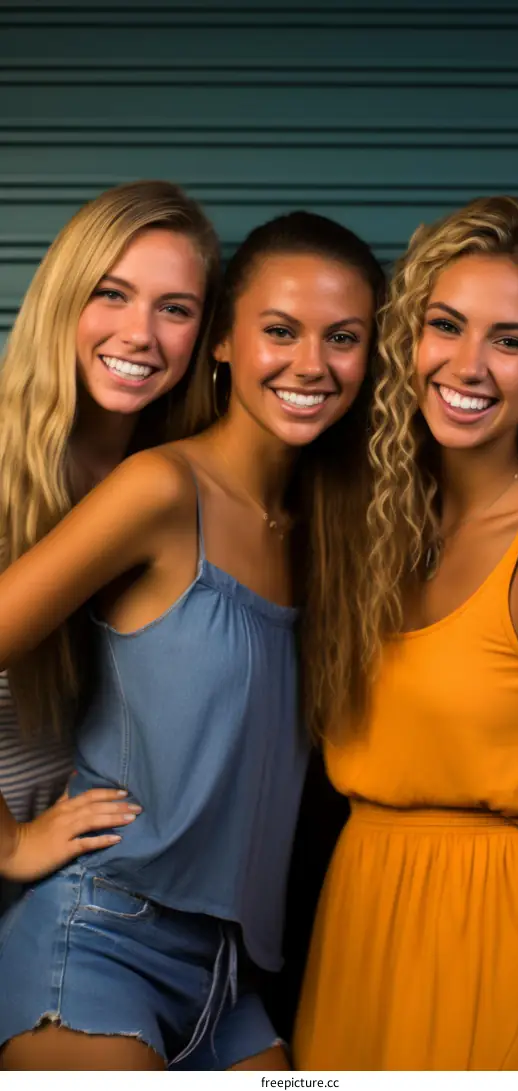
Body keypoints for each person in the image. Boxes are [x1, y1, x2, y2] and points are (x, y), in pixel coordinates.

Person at [0, 210, 384, 1071]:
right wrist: (11, 841)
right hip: (99, 941)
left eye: (344, 338)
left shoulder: (325, 526)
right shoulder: (160, 488)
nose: (311, 364)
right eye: (279, 330)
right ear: (222, 343)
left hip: (232, 979)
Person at [293, 196, 518, 1071]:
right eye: (446, 326)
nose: (467, 365)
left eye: (510, 340)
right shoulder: (370, 515)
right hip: (360, 917)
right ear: (409, 339)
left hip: (503, 928)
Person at [0, 180, 220, 915]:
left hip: (82, 888)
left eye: (175, 309)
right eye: (112, 294)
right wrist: (10, 843)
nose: (140, 334)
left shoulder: (178, 480)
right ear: (64, 298)